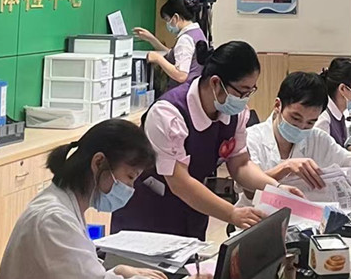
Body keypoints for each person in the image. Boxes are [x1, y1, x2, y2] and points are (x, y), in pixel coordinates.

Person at [0, 120, 212, 279]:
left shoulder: (64, 207)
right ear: (99, 162)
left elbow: (79, 277)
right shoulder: (53, 219)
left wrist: (117, 272)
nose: (130, 188)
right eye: (129, 177)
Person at [111, 42, 300, 239]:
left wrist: (275, 189)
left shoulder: (234, 114)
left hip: (195, 205)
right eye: (242, 92)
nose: (245, 99)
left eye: (250, 91)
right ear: (216, 83)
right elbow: (180, 182)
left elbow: (241, 164)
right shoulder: (168, 113)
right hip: (149, 212)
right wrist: (232, 213)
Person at [241, 71, 351, 202]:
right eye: (295, 118)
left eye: (310, 122)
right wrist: (285, 168)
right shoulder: (251, 138)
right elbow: (249, 191)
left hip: (305, 213)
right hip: (256, 213)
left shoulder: (317, 138)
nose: (301, 127)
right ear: (278, 105)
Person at [133, 0, 208, 91]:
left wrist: (158, 59)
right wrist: (152, 39)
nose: (167, 24)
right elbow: (174, 54)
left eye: (167, 19)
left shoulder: (185, 39)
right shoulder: (197, 32)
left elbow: (181, 75)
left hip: (183, 93)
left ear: (175, 17)